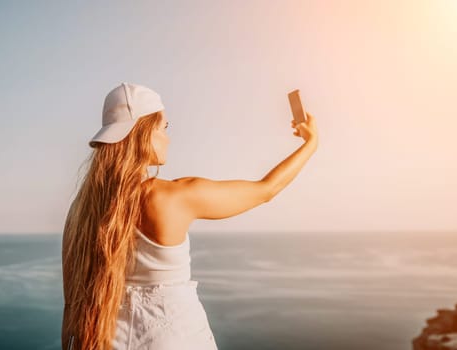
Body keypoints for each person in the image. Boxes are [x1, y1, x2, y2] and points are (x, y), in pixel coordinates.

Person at [61, 82, 318, 350]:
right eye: (164, 127)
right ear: (145, 132)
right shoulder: (170, 197)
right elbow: (266, 189)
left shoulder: (80, 213)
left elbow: (72, 308)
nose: (168, 138)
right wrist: (311, 143)